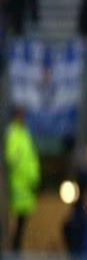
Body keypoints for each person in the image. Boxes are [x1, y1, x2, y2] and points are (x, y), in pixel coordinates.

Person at [4, 107, 40, 251]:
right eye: (21, 115)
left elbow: (30, 157)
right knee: (13, 221)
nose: (23, 118)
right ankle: (11, 250)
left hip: (27, 184)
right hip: (16, 184)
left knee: (22, 222)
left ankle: (15, 250)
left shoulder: (25, 133)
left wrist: (34, 177)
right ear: (15, 116)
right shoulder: (12, 133)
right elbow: (12, 158)